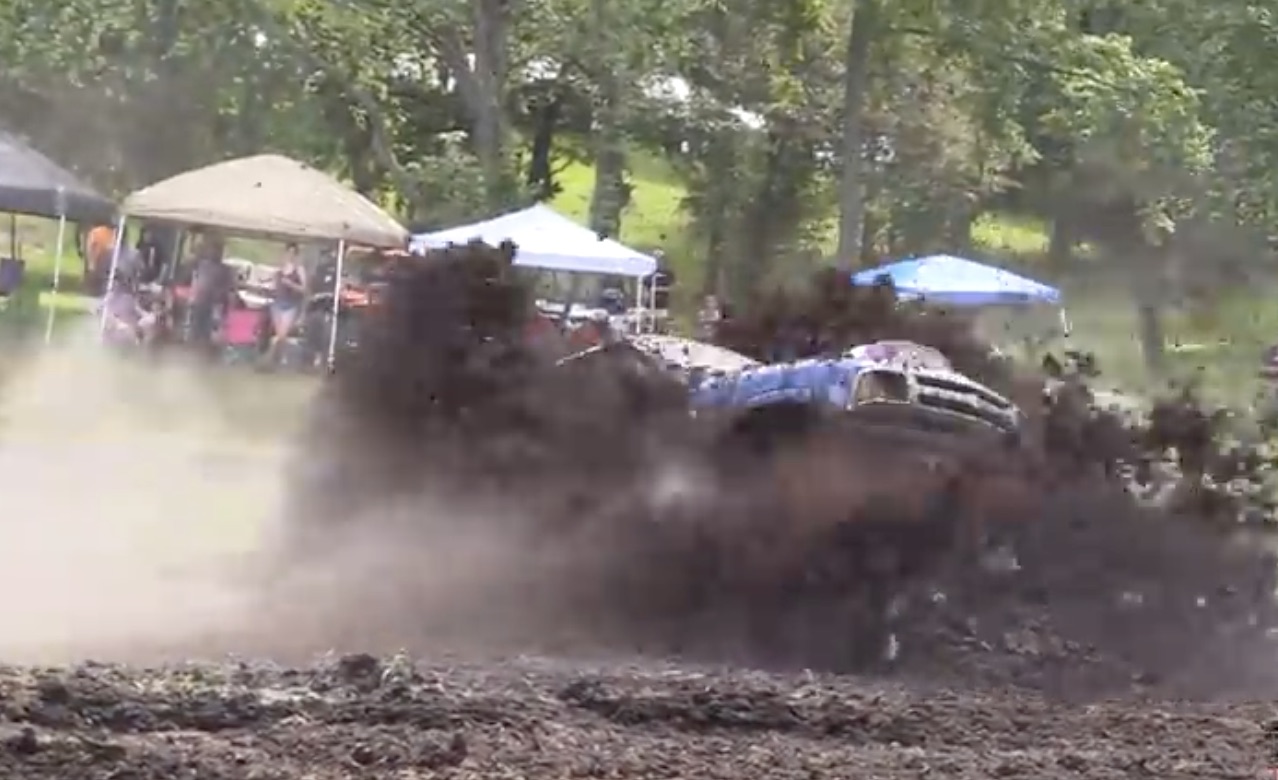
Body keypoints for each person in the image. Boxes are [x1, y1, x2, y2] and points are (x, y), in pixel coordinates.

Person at [262, 243, 309, 365]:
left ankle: (272, 359)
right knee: (279, 334)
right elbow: (273, 285)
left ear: (296, 255)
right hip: (277, 303)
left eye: (293, 253)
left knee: (282, 334)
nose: (290, 255)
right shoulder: (280, 268)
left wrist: (290, 284)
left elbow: (304, 289)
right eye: (288, 252)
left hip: (291, 304)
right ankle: (280, 358)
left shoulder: (299, 269)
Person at [100, 279, 157, 345]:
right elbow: (110, 316)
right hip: (122, 323)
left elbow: (139, 310)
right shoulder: (110, 302)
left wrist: (146, 315)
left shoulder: (127, 298)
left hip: (129, 322)